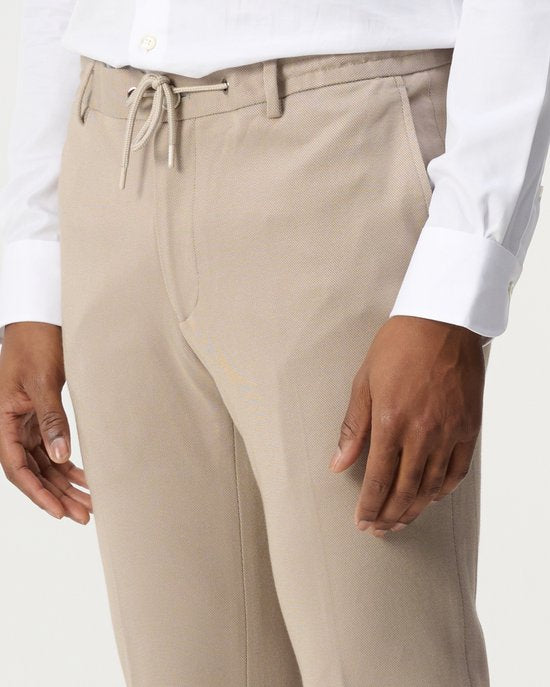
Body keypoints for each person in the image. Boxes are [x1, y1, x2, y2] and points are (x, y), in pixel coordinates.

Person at [0, 1, 548, 685]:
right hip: (114, 147)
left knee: (386, 661)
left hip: (340, 148)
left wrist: (456, 292)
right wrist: (32, 274)